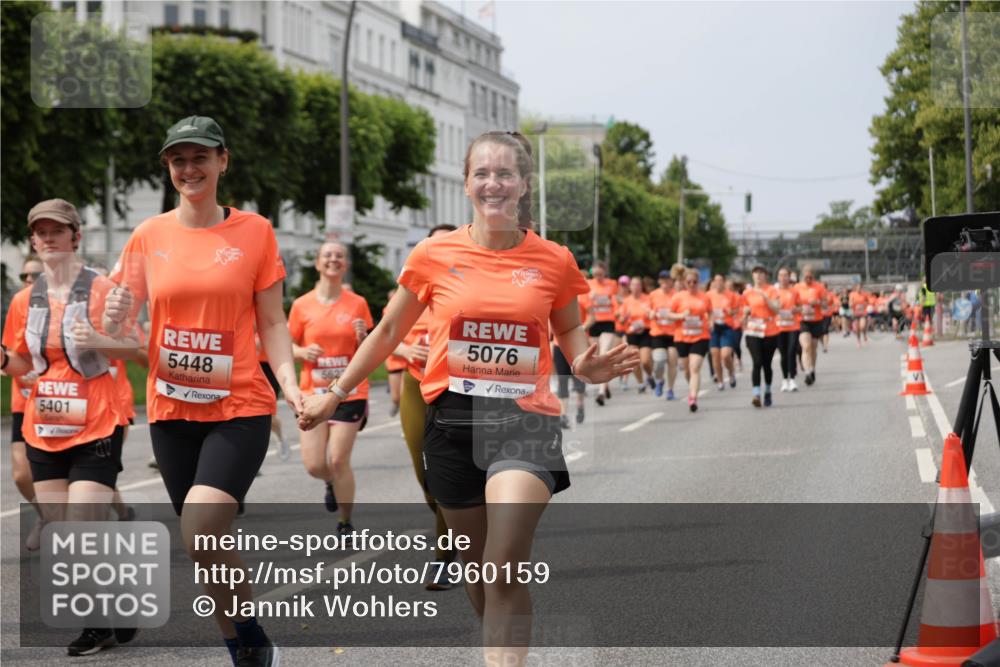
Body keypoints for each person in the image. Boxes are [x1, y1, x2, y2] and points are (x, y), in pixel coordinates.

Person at [297, 131, 638, 666]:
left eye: (505, 174)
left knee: (503, 563)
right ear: (466, 184)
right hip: (451, 422)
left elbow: (573, 339)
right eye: (482, 173)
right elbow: (387, 333)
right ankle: (500, 642)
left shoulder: (553, 260)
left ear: (525, 185)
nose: (493, 183)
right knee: (478, 569)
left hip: (524, 424)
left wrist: (588, 366)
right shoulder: (435, 253)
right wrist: (332, 395)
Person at [103, 116, 299, 667]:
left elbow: (274, 324)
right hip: (171, 410)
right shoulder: (149, 235)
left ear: (222, 162)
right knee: (204, 546)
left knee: (202, 523)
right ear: (169, 168)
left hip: (238, 405)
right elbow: (121, 314)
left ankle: (247, 639)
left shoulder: (255, 231)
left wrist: (292, 388)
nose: (189, 169)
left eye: (199, 157)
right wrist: (117, 312)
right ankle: (245, 641)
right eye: (177, 160)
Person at [1, 199, 136, 655]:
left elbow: (134, 345)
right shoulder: (24, 300)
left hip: (97, 421)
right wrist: (3, 360)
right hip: (45, 425)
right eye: (40, 232)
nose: (48, 238)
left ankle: (96, 627)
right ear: (32, 241)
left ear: (76, 235)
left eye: (57, 230)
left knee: (82, 528)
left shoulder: (104, 290)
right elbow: (22, 361)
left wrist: (100, 339)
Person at [288, 241, 374, 536]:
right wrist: (301, 353)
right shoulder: (301, 305)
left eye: (339, 256)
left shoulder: (357, 303)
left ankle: (345, 520)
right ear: (317, 263)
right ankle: (329, 482)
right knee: (314, 464)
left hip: (350, 391)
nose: (333, 260)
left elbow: (368, 349)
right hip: (312, 391)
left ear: (346, 265)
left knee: (338, 460)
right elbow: (286, 345)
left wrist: (363, 338)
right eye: (327, 255)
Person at [393, 223, 460, 590]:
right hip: (414, 384)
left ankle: (443, 559)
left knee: (443, 474)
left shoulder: (466, 288)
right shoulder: (409, 287)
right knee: (425, 477)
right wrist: (405, 349)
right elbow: (388, 333)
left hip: (454, 389)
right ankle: (462, 524)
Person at [4, 255, 46, 550]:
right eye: (25, 277)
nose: (29, 281)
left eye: (35, 276)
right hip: (24, 402)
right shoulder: (18, 305)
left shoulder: (62, 305)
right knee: (21, 473)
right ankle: (47, 516)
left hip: (59, 403)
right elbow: (11, 355)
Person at [666, 269, 711, 412]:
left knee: (695, 367)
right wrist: (680, 317)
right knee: (687, 369)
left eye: (694, 282)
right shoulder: (678, 297)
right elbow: (669, 314)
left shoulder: (704, 297)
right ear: (684, 283)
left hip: (700, 336)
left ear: (698, 282)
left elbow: (710, 313)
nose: (692, 284)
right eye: (689, 282)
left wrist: (711, 322)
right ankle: (691, 386)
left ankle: (693, 397)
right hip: (682, 337)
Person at [741, 266, 781, 407]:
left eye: (761, 273)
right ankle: (756, 393)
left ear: (766, 276)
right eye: (756, 273)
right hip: (753, 331)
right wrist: (745, 313)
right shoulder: (747, 293)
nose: (758, 276)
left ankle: (768, 391)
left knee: (766, 364)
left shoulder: (772, 290)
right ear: (752, 276)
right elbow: (743, 313)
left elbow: (776, 309)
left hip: (770, 331)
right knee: (757, 362)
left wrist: (765, 298)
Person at [583, 261, 618, 406]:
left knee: (604, 353)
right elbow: (582, 301)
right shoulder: (588, 284)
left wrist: (618, 311)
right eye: (595, 274)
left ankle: (601, 392)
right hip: (593, 323)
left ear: (605, 272)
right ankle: (606, 385)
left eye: (600, 274)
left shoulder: (612, 284)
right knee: (597, 358)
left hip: (608, 322)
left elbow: (616, 301)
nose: (598, 277)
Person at [256, 334, 290, 461]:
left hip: (267, 366)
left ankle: (280, 436)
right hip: (242, 365)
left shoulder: (262, 314)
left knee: (266, 413)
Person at [619, 276, 654, 393]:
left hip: (645, 332)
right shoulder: (626, 301)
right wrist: (625, 317)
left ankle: (649, 376)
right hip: (632, 332)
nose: (636, 287)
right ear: (630, 287)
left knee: (645, 360)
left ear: (641, 286)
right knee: (633, 360)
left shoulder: (647, 299)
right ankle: (641, 383)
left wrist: (650, 315)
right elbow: (621, 320)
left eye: (638, 285)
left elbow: (652, 314)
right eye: (633, 285)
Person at [794, 266, 827, 386]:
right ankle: (807, 372)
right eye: (806, 277)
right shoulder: (797, 288)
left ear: (813, 276)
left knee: (813, 348)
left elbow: (825, 303)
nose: (808, 279)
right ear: (802, 276)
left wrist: (817, 302)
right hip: (802, 320)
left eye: (810, 277)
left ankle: (812, 369)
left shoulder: (819, 287)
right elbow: (792, 303)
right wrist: (799, 306)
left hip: (816, 320)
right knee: (806, 347)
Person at [647, 269, 678, 399]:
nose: (665, 282)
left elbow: (681, 311)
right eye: (662, 280)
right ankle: (660, 380)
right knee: (659, 361)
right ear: (659, 281)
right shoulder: (653, 295)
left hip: (674, 333)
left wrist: (674, 316)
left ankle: (670, 390)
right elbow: (648, 312)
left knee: (672, 360)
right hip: (658, 332)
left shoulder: (676, 295)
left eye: (667, 280)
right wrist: (652, 314)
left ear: (671, 281)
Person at [707, 274, 737, 390]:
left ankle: (731, 372)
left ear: (724, 282)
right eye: (716, 281)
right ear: (713, 282)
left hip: (726, 327)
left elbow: (737, 309)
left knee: (725, 355)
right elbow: (705, 310)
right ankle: (720, 380)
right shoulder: (708, 295)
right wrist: (709, 320)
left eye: (721, 280)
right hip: (714, 328)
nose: (718, 283)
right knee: (715, 354)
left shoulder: (731, 295)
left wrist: (731, 311)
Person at [774, 268, 801, 392]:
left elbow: (801, 307)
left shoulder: (794, 291)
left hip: (792, 326)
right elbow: (769, 307)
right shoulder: (774, 292)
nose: (783, 278)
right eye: (781, 275)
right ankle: (785, 380)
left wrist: (796, 309)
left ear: (789, 277)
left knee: (791, 352)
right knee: (783, 354)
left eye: (786, 275)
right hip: (779, 327)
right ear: (778, 277)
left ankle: (793, 379)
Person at [384, 288, 406, 417]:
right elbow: (385, 333)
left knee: (406, 396)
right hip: (394, 360)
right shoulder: (389, 310)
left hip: (408, 360)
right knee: (396, 397)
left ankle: (405, 420)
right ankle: (396, 403)